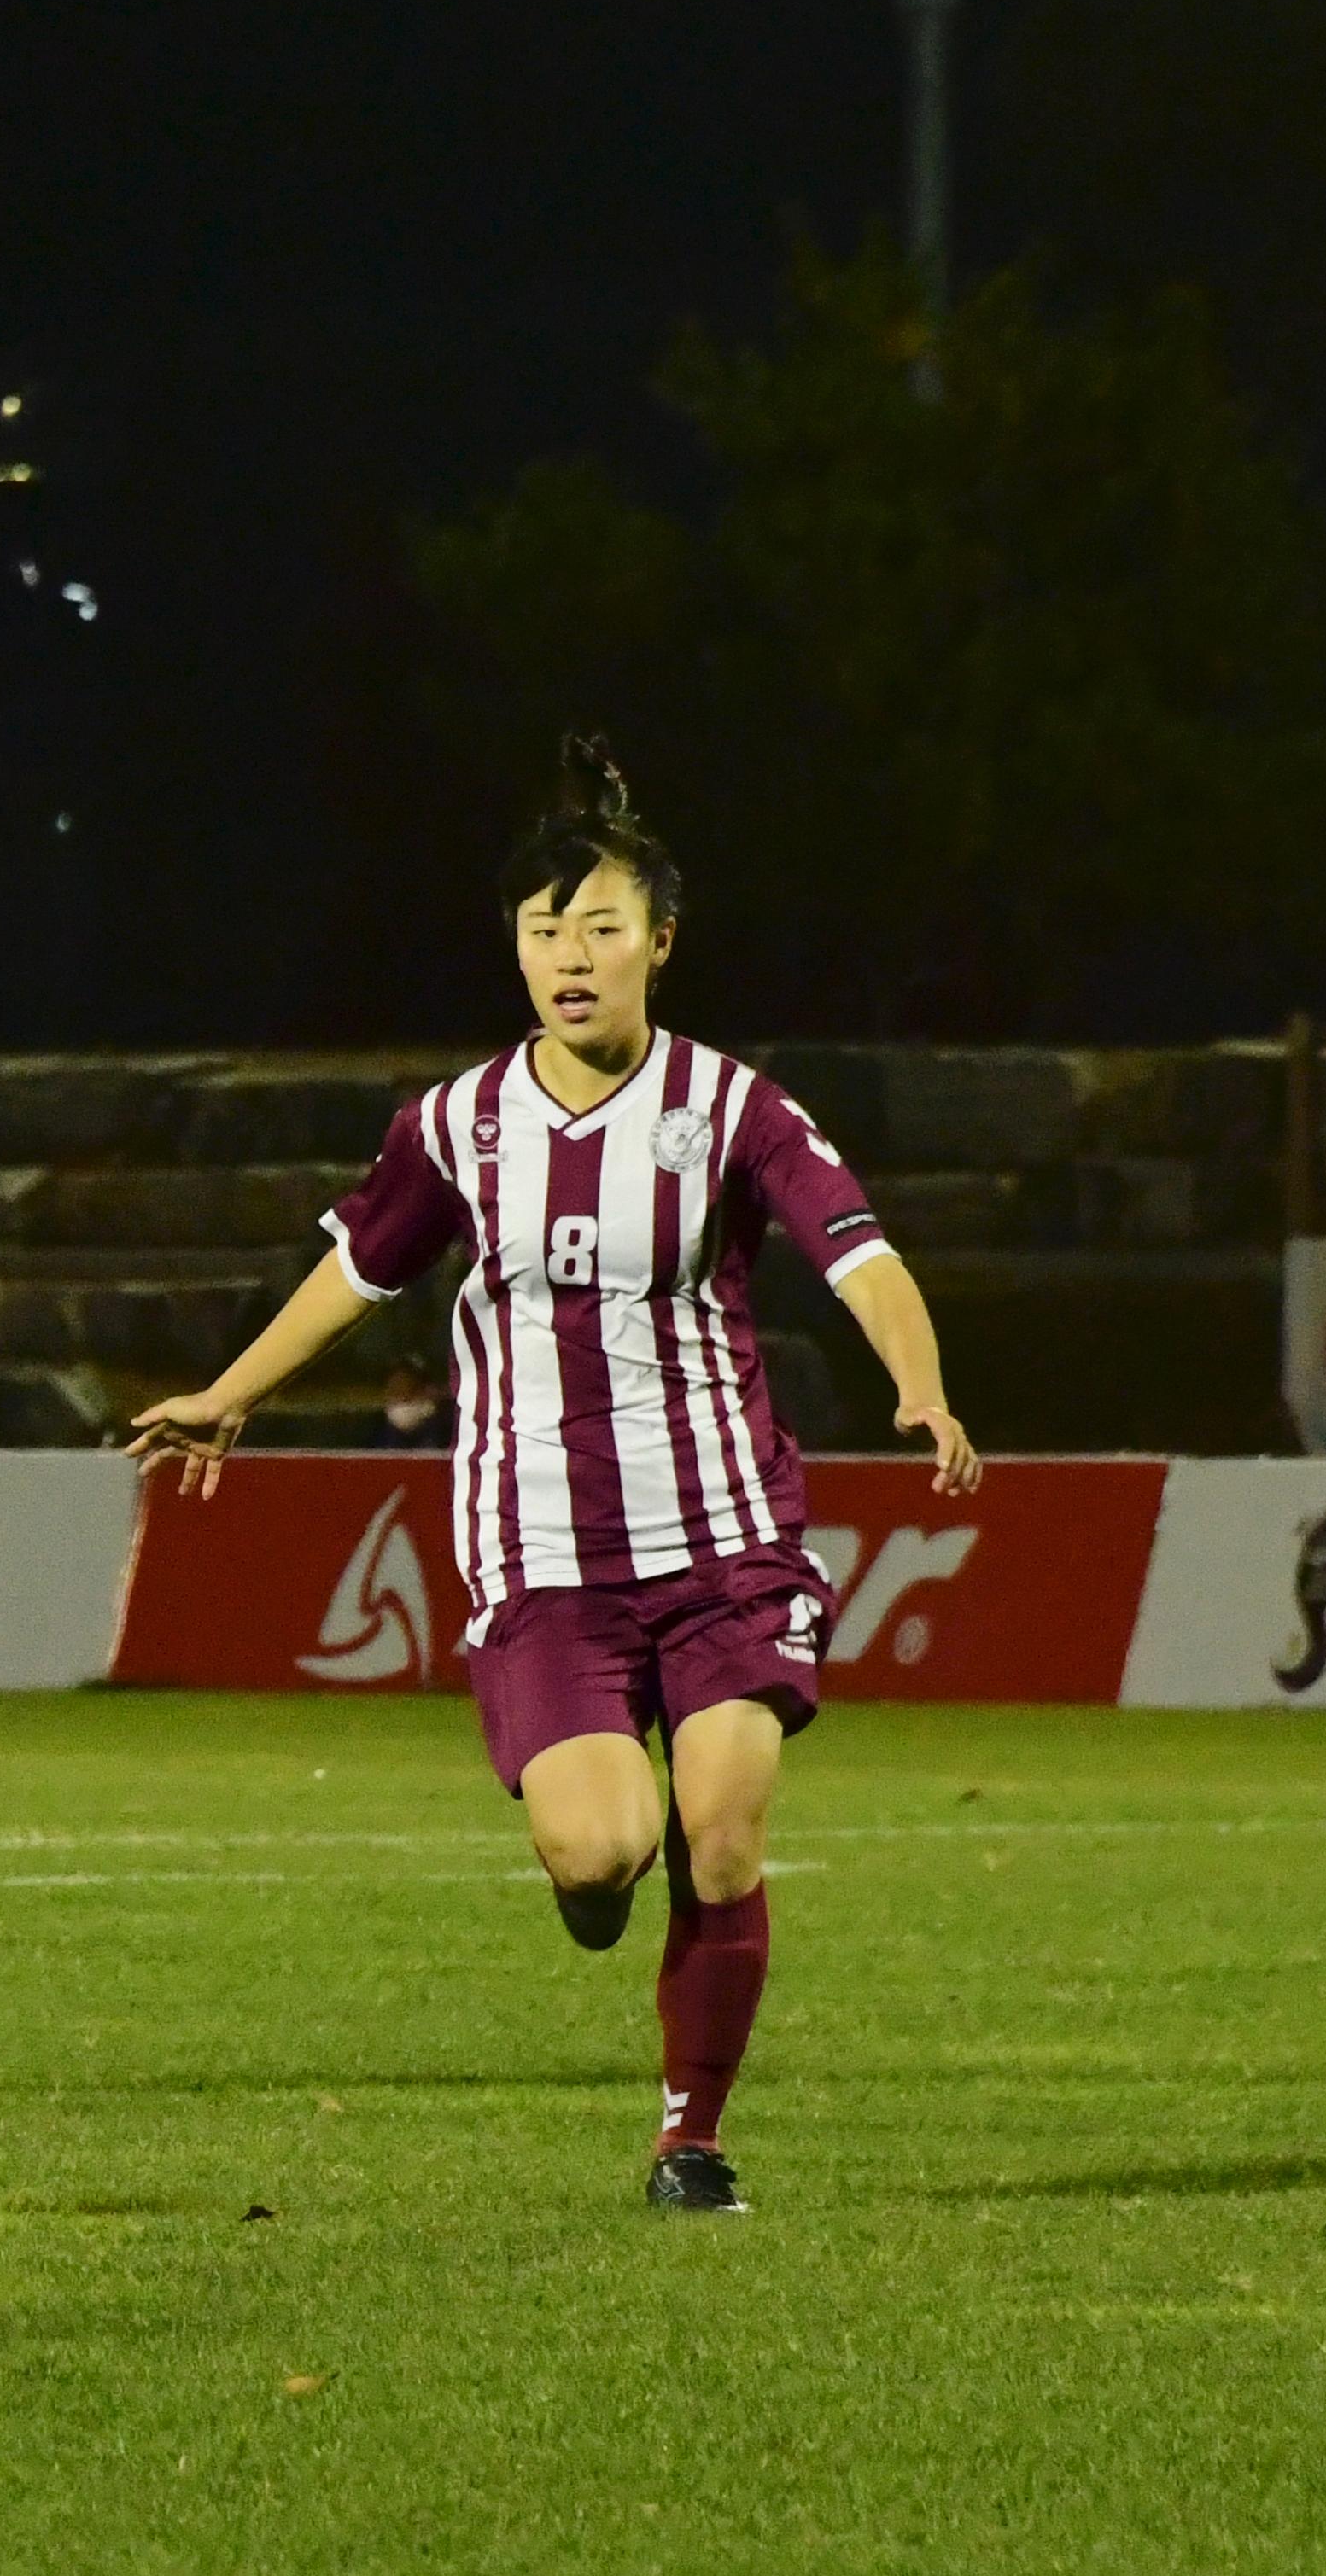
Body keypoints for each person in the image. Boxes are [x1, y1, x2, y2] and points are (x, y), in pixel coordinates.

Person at [127, 739, 981, 2214]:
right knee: (603, 1850)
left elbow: (862, 1252)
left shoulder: (731, 1110)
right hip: (544, 1566)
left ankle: (688, 2139)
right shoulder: (455, 1125)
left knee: (720, 1827)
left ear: (660, 937)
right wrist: (228, 1392)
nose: (567, 956)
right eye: (540, 928)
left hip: (722, 1541)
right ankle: (592, 1893)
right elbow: (354, 1273)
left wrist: (919, 1383)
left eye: (597, 925)